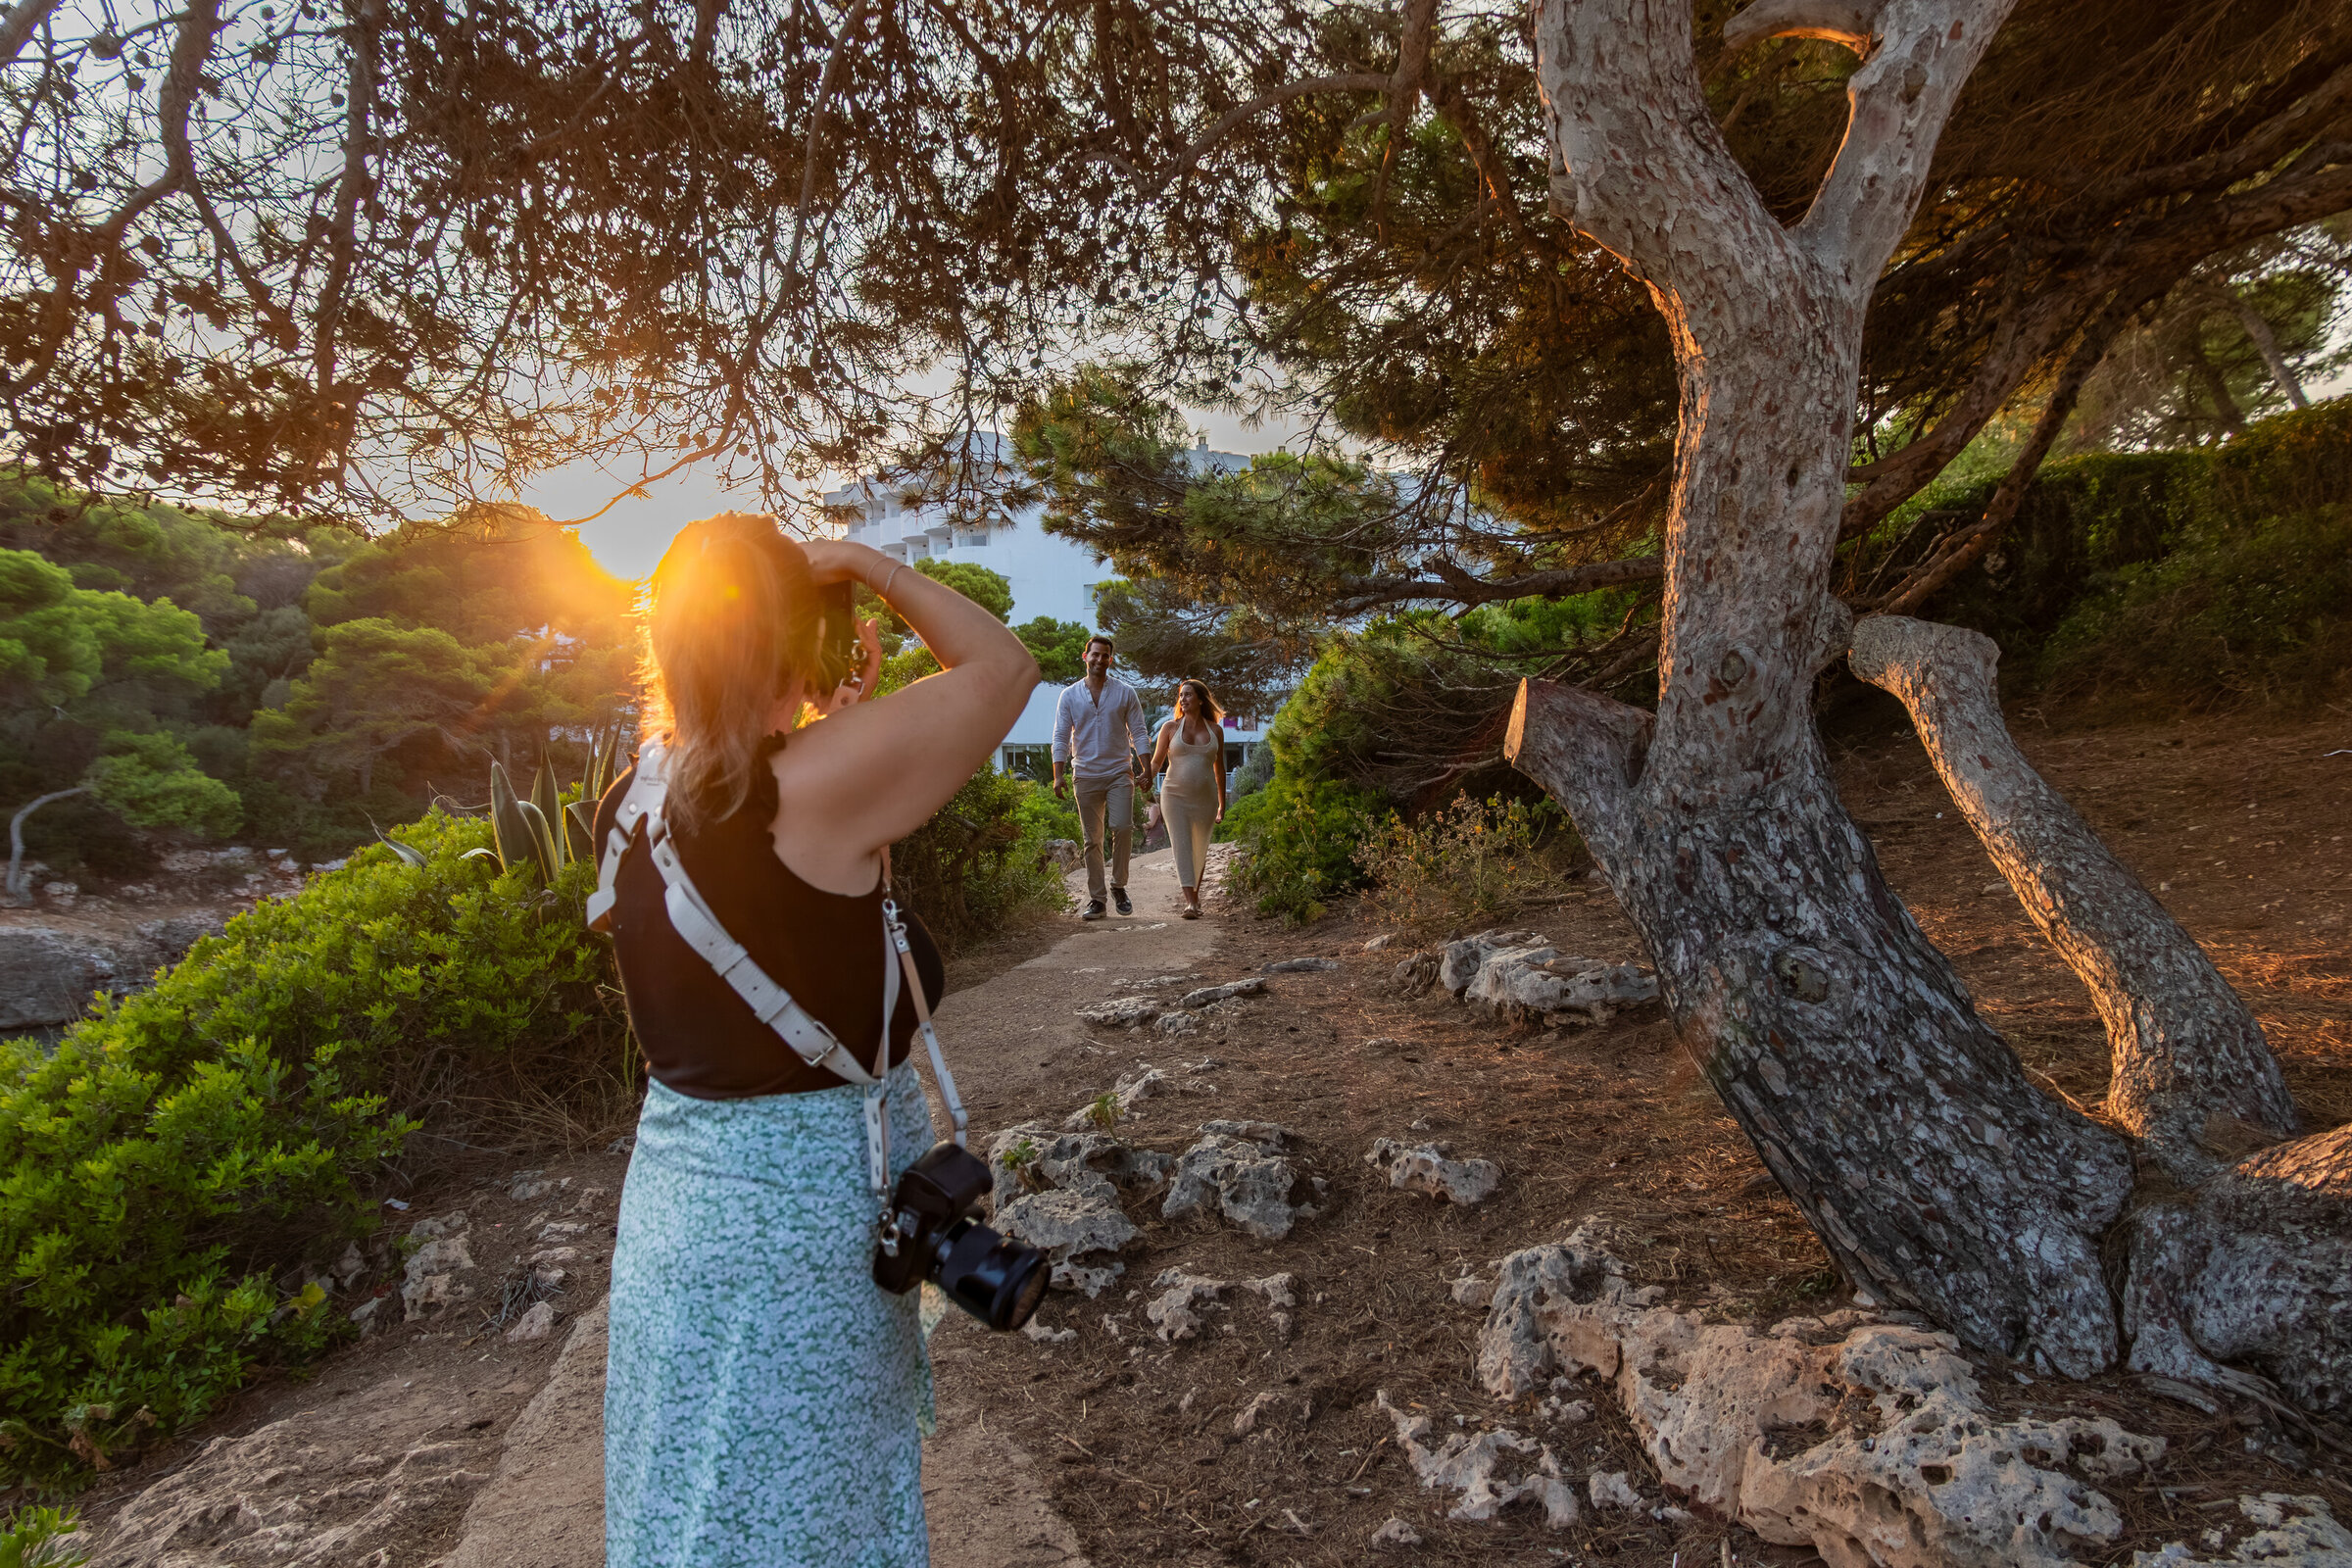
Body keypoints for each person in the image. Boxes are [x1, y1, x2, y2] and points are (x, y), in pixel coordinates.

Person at [592, 514, 1038, 1568]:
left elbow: (764, 923)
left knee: (703, 1495)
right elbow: (1004, 667)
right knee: (817, 1510)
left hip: (681, 1204)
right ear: (794, 639)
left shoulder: (637, 792)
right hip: (797, 1227)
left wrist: (831, 713)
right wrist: (862, 566)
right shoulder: (813, 786)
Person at [1049, 634, 1147, 920]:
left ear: (1110, 660)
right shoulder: (1068, 695)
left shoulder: (1125, 692)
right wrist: (1058, 774)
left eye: (1105, 656)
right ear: (1085, 656)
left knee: (1123, 827)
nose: (1100, 660)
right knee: (1092, 840)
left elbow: (1138, 731)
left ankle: (1118, 885)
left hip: (1119, 771)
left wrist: (1146, 767)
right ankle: (1098, 900)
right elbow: (1060, 736)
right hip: (1086, 774)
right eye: (1095, 655)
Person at [1149, 678, 1229, 918]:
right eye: (1181, 695)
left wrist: (1222, 804)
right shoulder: (1170, 728)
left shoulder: (1216, 731)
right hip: (1174, 796)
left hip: (1205, 800)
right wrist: (1144, 776)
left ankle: (1195, 897)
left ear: (1201, 699)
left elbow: (1220, 769)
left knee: (1199, 847)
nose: (1182, 699)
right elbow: (1156, 762)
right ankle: (1191, 902)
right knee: (1182, 846)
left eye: (1188, 695)